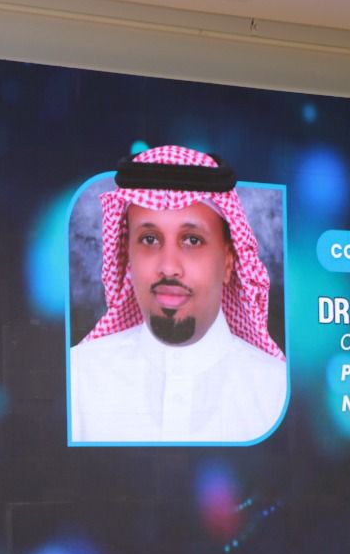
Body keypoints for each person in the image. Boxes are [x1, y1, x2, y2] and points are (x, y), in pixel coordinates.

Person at [69, 145, 287, 443]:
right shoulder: (78, 378)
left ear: (228, 261)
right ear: (128, 255)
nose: (169, 267)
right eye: (149, 239)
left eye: (192, 240)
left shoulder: (277, 390)